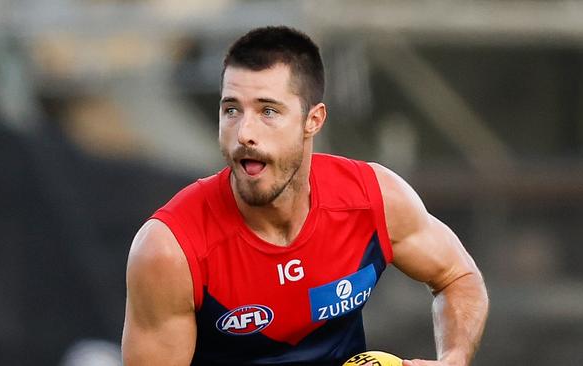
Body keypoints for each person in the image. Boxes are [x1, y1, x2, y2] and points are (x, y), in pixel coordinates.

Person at [122, 26, 488, 366]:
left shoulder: (374, 199)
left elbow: (458, 277)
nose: (244, 132)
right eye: (231, 109)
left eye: (268, 111)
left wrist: (453, 359)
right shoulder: (169, 251)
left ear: (313, 120)